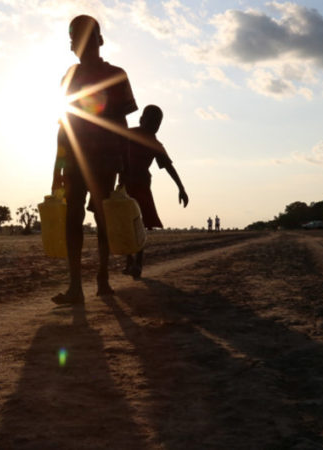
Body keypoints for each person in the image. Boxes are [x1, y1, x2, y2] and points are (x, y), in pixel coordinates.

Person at [51, 15, 138, 305]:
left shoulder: (117, 74)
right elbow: (64, 125)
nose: (80, 45)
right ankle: (76, 286)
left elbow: (121, 123)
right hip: (77, 158)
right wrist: (58, 169)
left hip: (105, 157)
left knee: (103, 219)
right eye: (76, 40)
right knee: (73, 218)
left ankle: (102, 278)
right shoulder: (69, 76)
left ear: (100, 41)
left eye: (85, 38)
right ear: (72, 45)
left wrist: (124, 163)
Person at [121, 105, 188, 279]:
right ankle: (131, 262)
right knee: (126, 224)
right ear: (142, 119)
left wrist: (181, 187)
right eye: (152, 121)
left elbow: (169, 167)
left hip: (141, 185)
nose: (154, 125)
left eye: (156, 123)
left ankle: (137, 263)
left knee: (139, 225)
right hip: (125, 185)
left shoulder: (154, 143)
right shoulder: (128, 134)